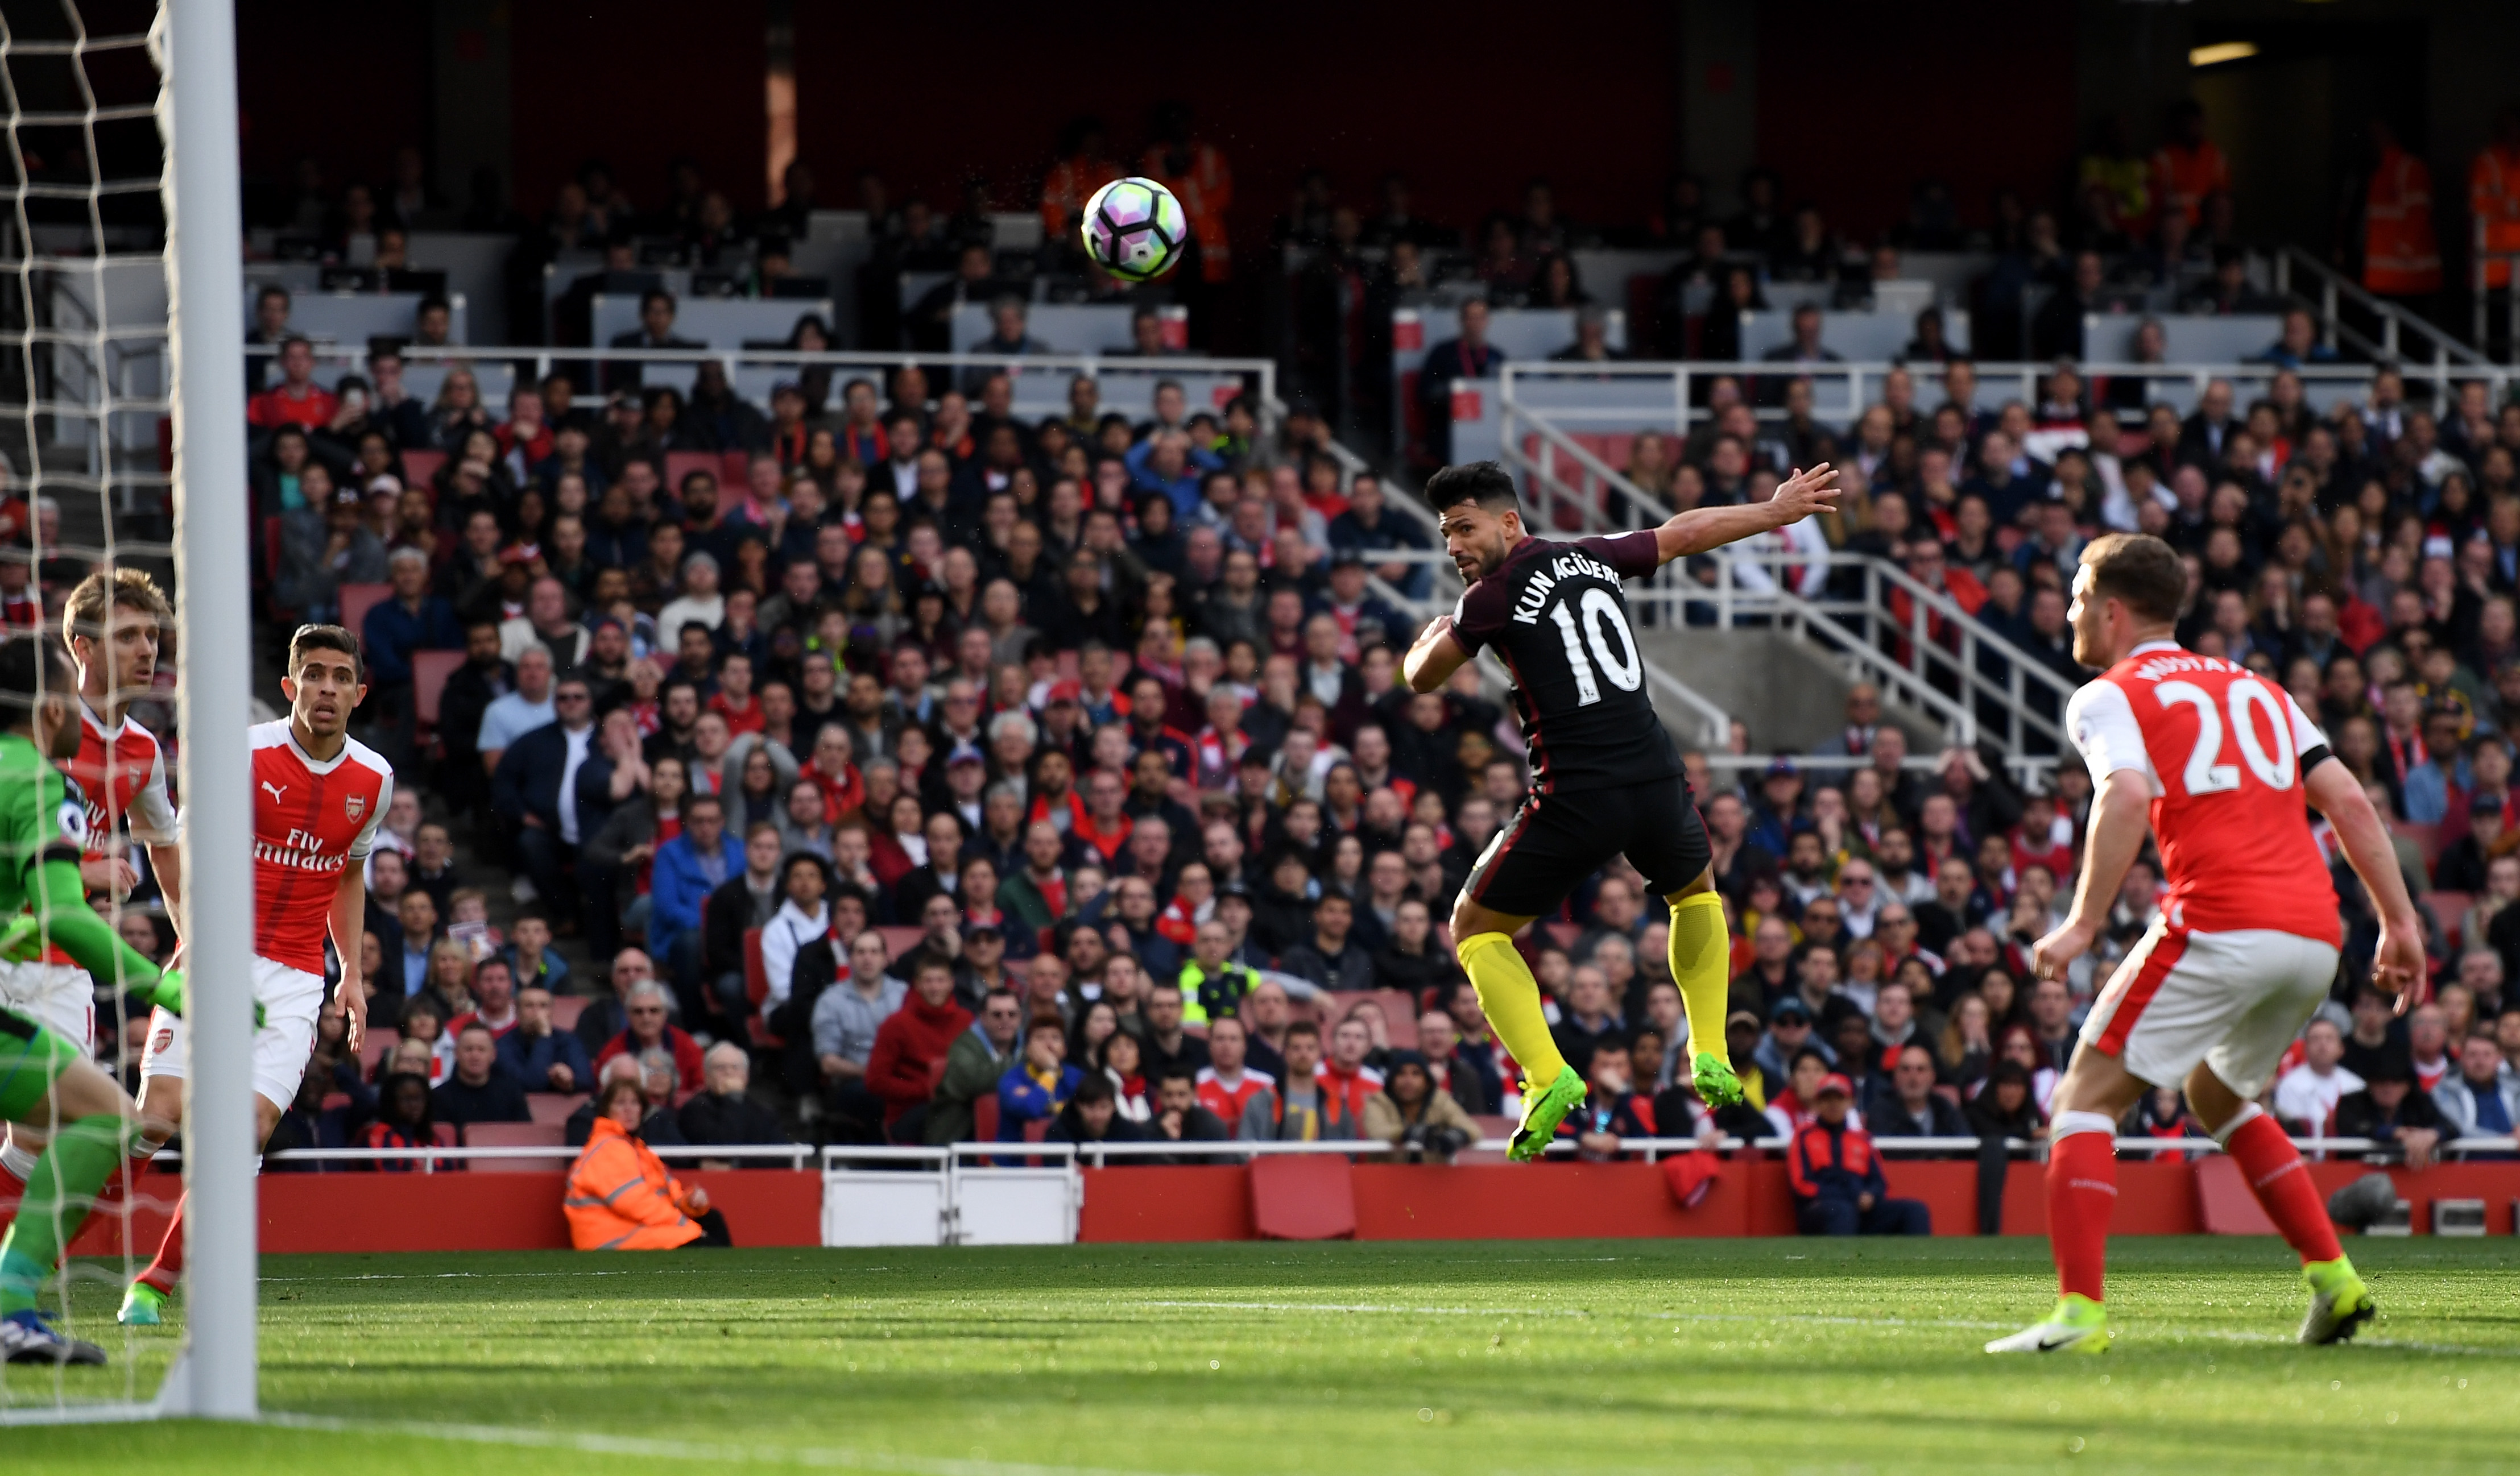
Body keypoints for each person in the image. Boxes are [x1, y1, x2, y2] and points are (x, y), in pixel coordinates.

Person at [1991, 533, 2423, 1354]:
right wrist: (2398, 923)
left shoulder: (2106, 695)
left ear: (2113, 610)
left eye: (2080, 597)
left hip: (2221, 921)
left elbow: (2121, 797)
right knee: (2216, 1096)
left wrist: (2082, 921)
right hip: (2311, 937)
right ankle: (2334, 1282)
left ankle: (2077, 1318)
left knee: (2081, 1101)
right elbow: (2346, 801)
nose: (2073, 612)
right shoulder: (2258, 688)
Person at [1401, 458, 1842, 1159]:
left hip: (1577, 792)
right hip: (1658, 778)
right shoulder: (1591, 558)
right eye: (1447, 533)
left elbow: (1422, 677)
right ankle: (1710, 1049)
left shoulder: (1489, 596)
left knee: (1475, 926)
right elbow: (1681, 534)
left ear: (1509, 522)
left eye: (1464, 527)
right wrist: (1772, 511)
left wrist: (1429, 634)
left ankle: (1546, 1077)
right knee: (1696, 893)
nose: (1454, 545)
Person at [125, 625, 395, 1328]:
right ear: (289, 685)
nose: (326, 688)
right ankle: (43, 1256)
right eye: (313, 674)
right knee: (154, 1120)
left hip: (297, 977)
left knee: (242, 1132)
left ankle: (153, 1286)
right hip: (216, 954)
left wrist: (352, 975)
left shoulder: (375, 779)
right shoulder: (241, 755)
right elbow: (177, 852)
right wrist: (195, 942)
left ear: (359, 692)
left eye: (340, 676)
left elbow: (349, 874)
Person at [0, 633, 171, 1365]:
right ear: (47, 706)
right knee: (107, 1116)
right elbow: (67, 916)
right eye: (70, 695)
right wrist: (169, 985)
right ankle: (11, 1301)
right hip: (38, 975)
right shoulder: (38, 781)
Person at [0, 573, 181, 1201]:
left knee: (53, 1133)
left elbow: (163, 842)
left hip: (64, 964)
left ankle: (13, 1283)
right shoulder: (34, 730)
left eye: (152, 636)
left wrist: (186, 940)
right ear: (80, 647)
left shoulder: (144, 750)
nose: (146, 650)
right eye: (126, 634)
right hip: (9, 940)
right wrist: (84, 870)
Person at [565, 1076, 731, 1250]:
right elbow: (634, 1203)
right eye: (621, 1103)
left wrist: (690, 1202)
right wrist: (684, 1225)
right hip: (614, 1239)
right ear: (606, 1110)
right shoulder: (608, 1148)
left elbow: (668, 1192)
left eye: (635, 1103)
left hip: (635, 1229)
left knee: (712, 1219)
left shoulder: (636, 1148)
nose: (629, 1110)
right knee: (703, 1243)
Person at [1788, 1073, 1931, 1236]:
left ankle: (1921, 1261)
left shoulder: (1862, 1139)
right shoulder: (1804, 1136)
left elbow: (1879, 1183)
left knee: (1915, 1211)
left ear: (1851, 1103)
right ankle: (1840, 1262)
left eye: (1839, 1098)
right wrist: (1849, 1196)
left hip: (1861, 1209)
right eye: (1827, 1099)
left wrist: (1871, 1196)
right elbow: (1801, 1185)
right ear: (1818, 1103)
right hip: (1821, 1208)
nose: (1833, 1104)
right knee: (1842, 1211)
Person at [929, 986, 1021, 1145]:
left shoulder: (1029, 1045)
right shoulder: (964, 1044)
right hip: (960, 1137)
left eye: (1012, 1014)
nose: (1005, 1020)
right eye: (997, 1015)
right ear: (983, 1018)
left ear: (1020, 1018)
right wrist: (1026, 1069)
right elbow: (974, 1080)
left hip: (1014, 1137)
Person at [1362, 1048, 1478, 1163]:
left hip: (1433, 1176)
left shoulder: (1440, 1100)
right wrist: (1409, 1133)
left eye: (1416, 1074)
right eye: (1401, 1074)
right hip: (1388, 1176)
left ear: (1427, 1081)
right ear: (1392, 1080)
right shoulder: (1378, 1101)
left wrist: (1455, 1136)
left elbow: (1472, 1129)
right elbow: (1377, 1131)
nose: (1408, 1081)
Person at [677, 1042, 788, 1146]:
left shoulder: (764, 1113)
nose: (729, 1073)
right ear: (707, 1077)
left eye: (735, 1067)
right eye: (720, 1068)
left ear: (746, 1076)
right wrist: (733, 1098)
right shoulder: (695, 1109)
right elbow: (722, 1147)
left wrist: (736, 1164)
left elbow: (781, 1157)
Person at [431, 1022, 531, 1128]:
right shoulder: (438, 1098)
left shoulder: (512, 1094)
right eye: (469, 1049)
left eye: (481, 1050)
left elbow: (525, 1136)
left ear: (493, 1055)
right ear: (456, 1054)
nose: (475, 1056)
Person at [498, 984, 594, 1093]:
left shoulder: (569, 1040)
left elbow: (587, 1081)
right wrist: (544, 1036)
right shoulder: (504, 1044)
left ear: (552, 1011)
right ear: (517, 1011)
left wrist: (570, 1081)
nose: (537, 1012)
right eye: (529, 1006)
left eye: (543, 1006)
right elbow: (533, 1084)